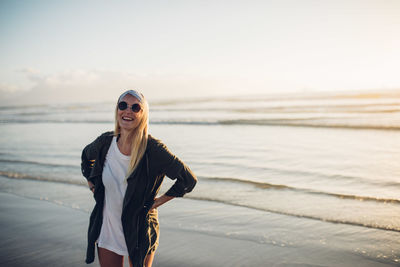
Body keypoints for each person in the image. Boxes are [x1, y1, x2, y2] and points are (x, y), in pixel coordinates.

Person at [81, 90, 197, 267]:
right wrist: (92, 185)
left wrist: (158, 202)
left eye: (135, 107)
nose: (128, 111)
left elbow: (188, 179)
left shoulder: (153, 149)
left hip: (139, 230)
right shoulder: (105, 142)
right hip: (108, 227)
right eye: (123, 105)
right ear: (117, 110)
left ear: (143, 114)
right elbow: (86, 157)